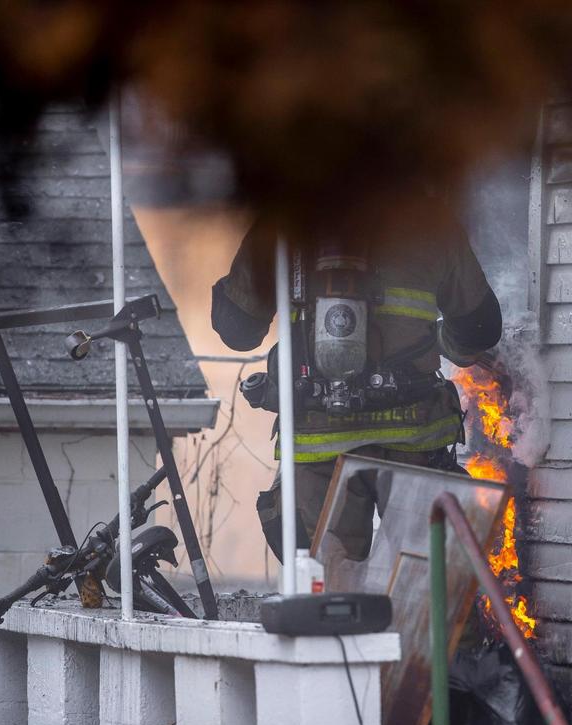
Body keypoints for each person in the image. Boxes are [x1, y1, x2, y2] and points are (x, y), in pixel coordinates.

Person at [211, 202, 502, 560]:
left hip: (319, 448)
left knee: (324, 593)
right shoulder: (431, 220)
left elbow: (238, 330)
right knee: (425, 589)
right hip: (415, 437)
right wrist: (444, 342)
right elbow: (480, 328)